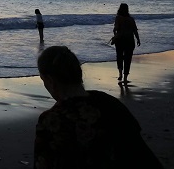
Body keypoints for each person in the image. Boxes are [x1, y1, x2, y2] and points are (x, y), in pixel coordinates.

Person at [34, 45, 162, 169]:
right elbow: (141, 153)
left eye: (43, 80)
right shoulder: (109, 103)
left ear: (50, 80)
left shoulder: (51, 121)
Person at [112, 3, 140, 83]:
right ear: (127, 9)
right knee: (128, 59)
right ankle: (125, 78)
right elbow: (135, 30)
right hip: (130, 41)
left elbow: (115, 29)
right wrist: (138, 39)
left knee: (119, 57)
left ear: (119, 9)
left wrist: (115, 35)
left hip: (120, 40)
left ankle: (120, 74)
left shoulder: (118, 18)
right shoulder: (131, 19)